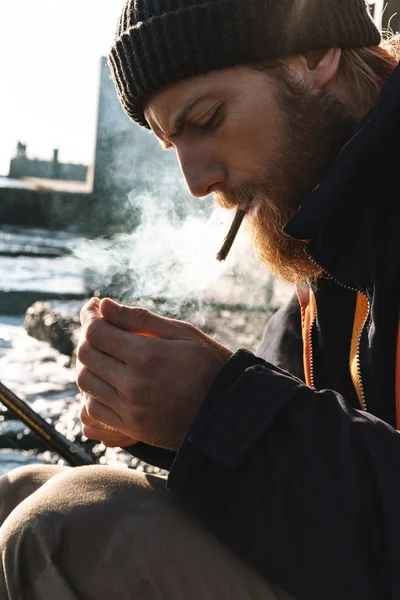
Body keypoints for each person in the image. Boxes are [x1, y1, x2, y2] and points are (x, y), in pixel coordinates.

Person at [1, 0, 400, 598]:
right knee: (16, 492)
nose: (195, 183)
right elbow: (296, 415)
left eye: (207, 118)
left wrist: (215, 408)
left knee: (59, 529)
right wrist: (157, 414)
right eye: (171, 144)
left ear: (315, 53)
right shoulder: (326, 226)